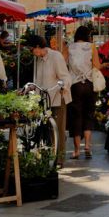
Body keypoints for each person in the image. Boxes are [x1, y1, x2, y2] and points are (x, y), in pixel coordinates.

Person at [28, 35, 72, 163]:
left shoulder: (55, 56)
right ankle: (47, 157)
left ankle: (59, 160)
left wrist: (63, 85)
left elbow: (66, 77)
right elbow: (39, 81)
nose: (32, 53)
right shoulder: (39, 60)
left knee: (57, 131)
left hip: (58, 98)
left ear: (37, 47)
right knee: (46, 130)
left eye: (32, 50)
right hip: (44, 100)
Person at [65, 26, 102, 162]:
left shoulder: (70, 47)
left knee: (76, 116)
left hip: (75, 85)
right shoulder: (92, 47)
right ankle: (87, 145)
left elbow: (63, 63)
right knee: (88, 114)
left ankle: (76, 151)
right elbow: (97, 66)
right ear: (87, 36)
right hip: (89, 83)